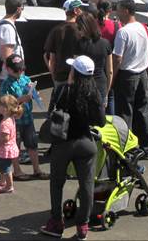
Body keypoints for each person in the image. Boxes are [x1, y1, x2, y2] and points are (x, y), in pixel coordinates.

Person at [40, 56, 105, 240]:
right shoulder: (94, 93)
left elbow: (53, 113)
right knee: (86, 184)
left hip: (63, 143)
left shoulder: (63, 91)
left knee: (57, 183)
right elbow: (100, 121)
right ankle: (82, 225)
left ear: (74, 72)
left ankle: (56, 223)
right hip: (86, 143)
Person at [111, 0, 148, 156]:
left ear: (126, 11)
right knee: (142, 110)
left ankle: (126, 148)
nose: (117, 13)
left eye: (119, 10)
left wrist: (112, 78)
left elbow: (117, 58)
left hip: (127, 75)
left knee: (124, 113)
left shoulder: (124, 32)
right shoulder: (144, 28)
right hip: (142, 73)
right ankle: (145, 147)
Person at [0, 55, 47, 180]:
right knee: (15, 146)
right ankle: (17, 171)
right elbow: (5, 103)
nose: (19, 72)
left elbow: (31, 93)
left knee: (32, 144)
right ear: (8, 69)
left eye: (21, 69)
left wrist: (34, 94)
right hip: (15, 121)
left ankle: (37, 169)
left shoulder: (25, 79)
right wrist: (20, 100)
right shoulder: (6, 84)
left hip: (28, 118)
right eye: (16, 70)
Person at [76, 13, 113, 116]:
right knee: (99, 119)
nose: (78, 31)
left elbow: (74, 69)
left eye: (79, 28)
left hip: (83, 85)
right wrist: (107, 92)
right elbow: (110, 71)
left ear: (86, 27)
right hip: (101, 84)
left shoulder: (79, 44)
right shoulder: (106, 43)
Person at [44, 0, 84, 86]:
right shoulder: (82, 30)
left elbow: (50, 57)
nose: (83, 11)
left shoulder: (56, 30)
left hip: (60, 77)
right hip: (79, 77)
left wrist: (54, 75)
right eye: (81, 8)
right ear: (76, 10)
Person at [0, 95, 22, 195]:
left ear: (6, 109)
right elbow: (6, 135)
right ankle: (3, 181)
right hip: (8, 149)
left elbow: (5, 139)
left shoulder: (5, 123)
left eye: (0, 104)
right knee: (2, 166)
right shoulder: (10, 118)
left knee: (6, 168)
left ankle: (9, 186)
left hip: (5, 150)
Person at [0, 0, 26, 84]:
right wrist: (17, 76)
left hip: (12, 76)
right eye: (22, 8)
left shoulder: (5, 24)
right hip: (10, 78)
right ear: (18, 9)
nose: (22, 10)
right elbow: (7, 57)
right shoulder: (7, 28)